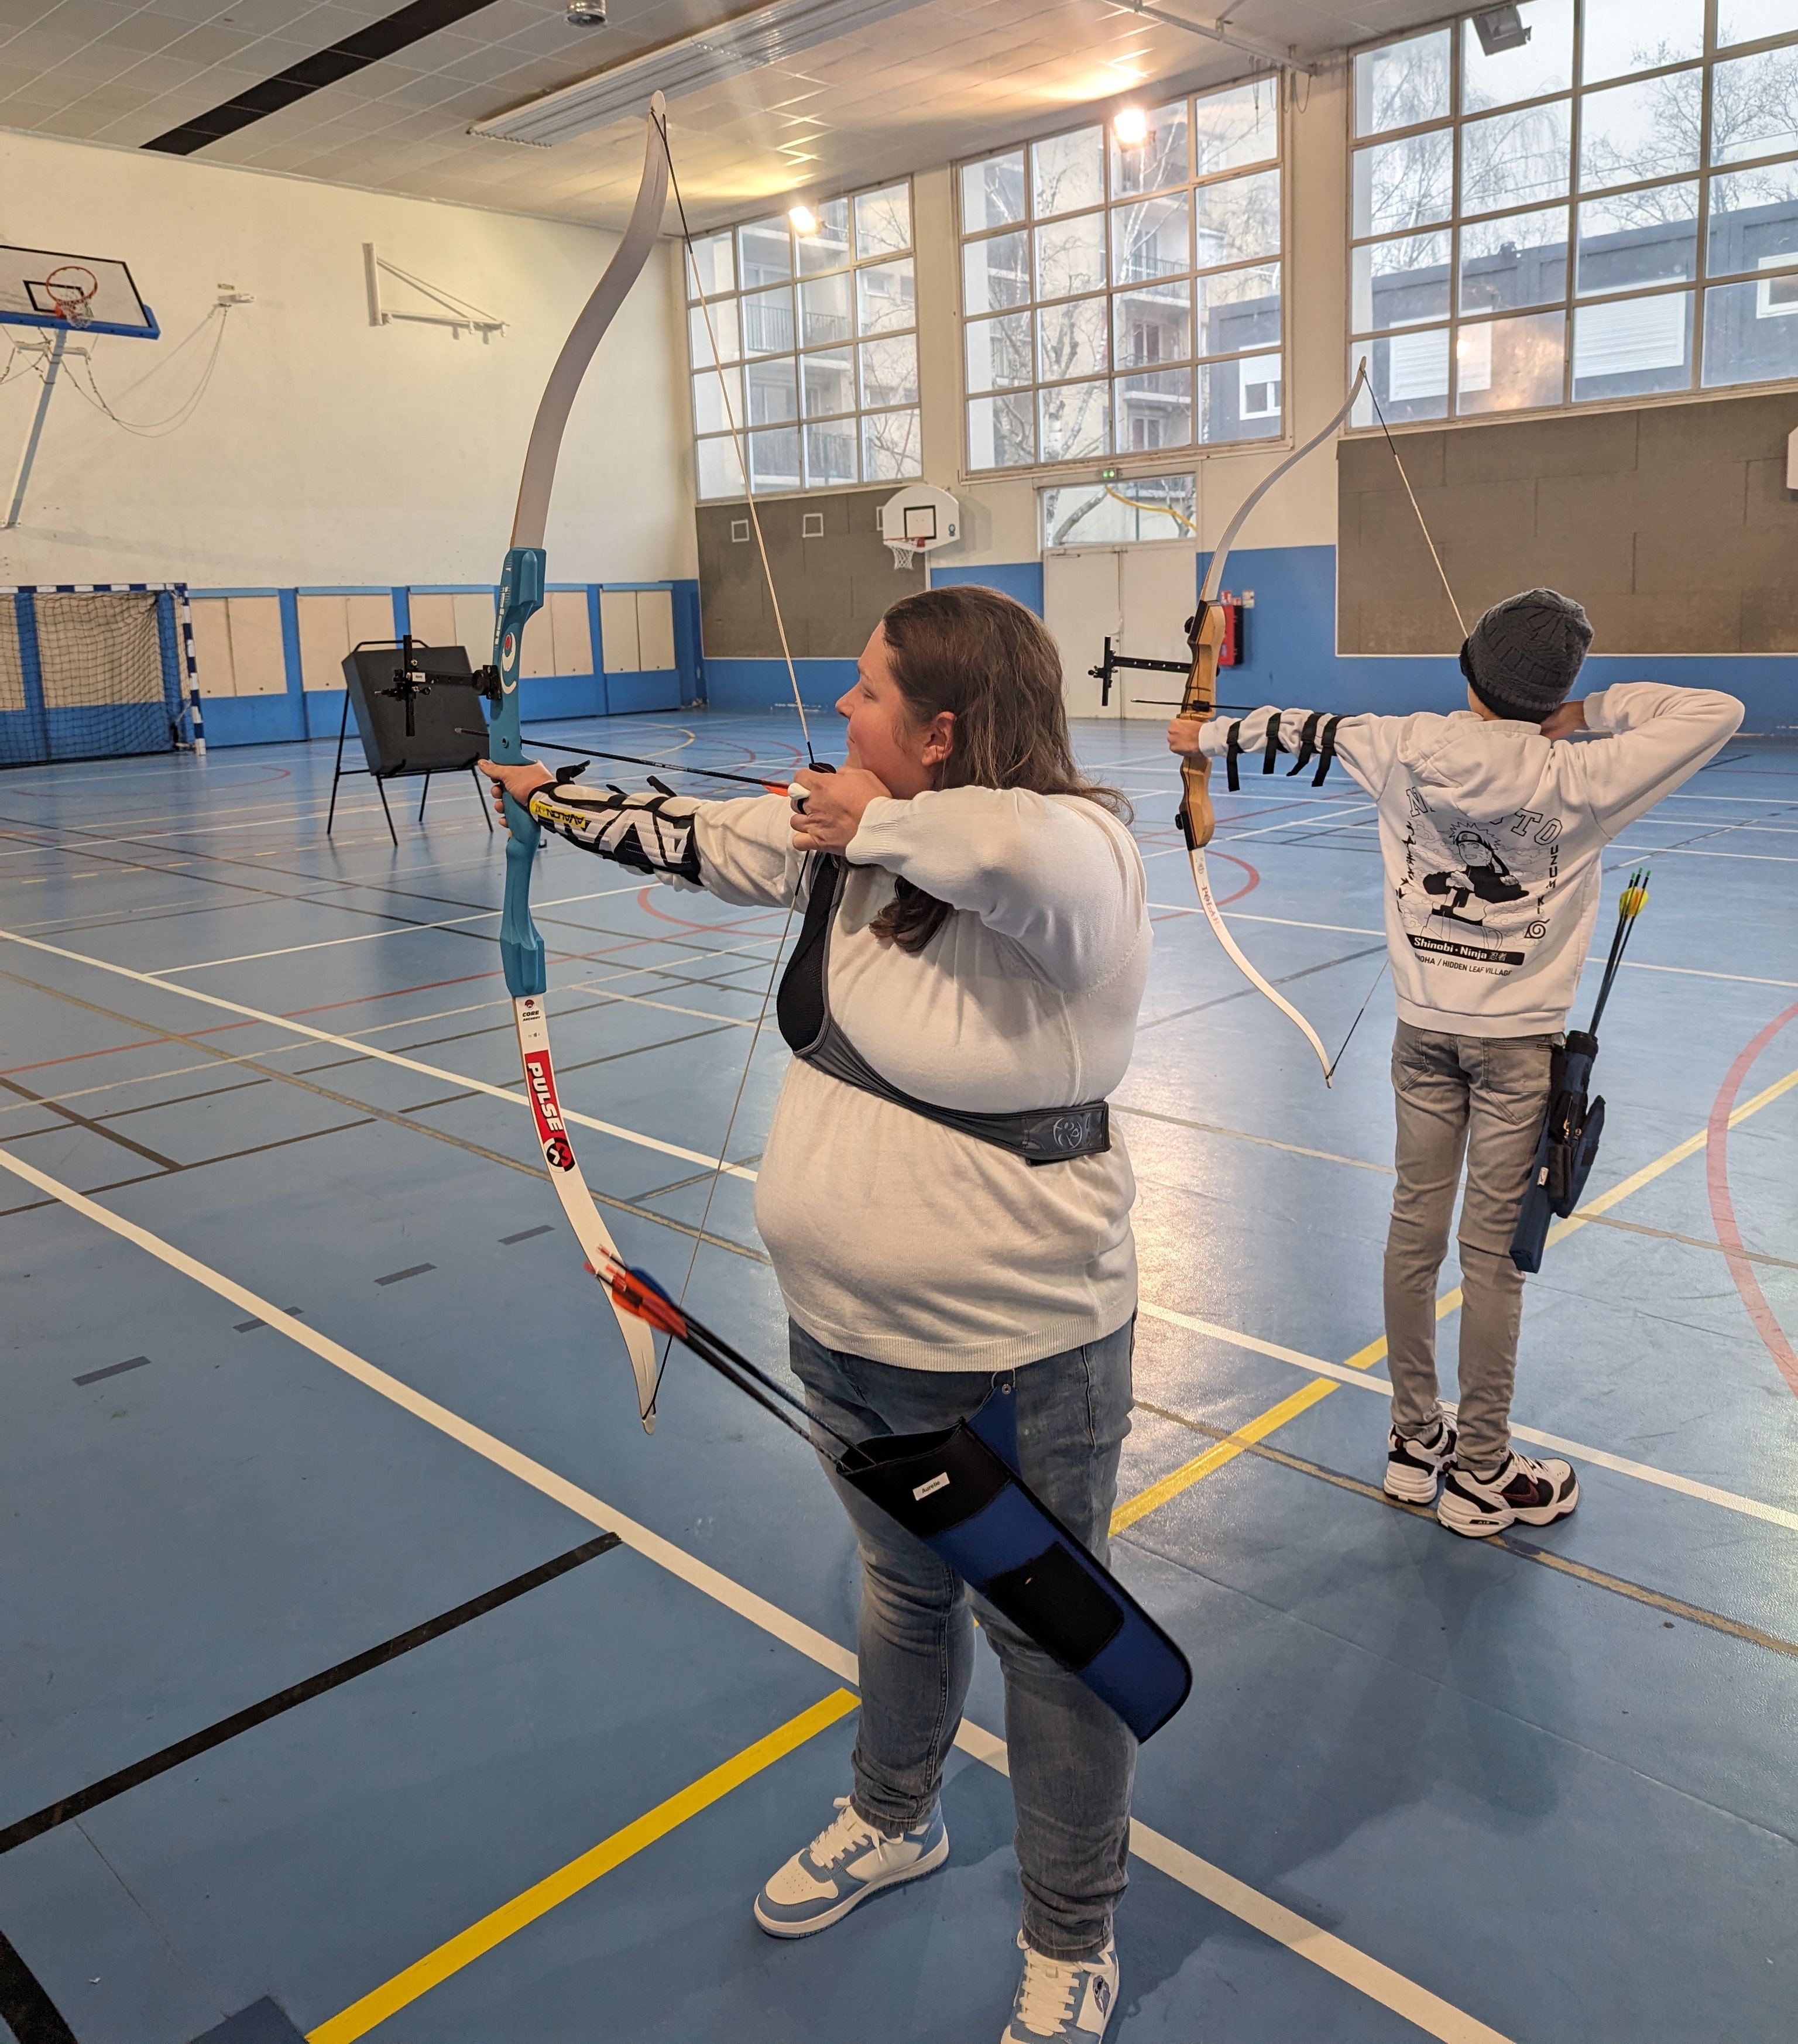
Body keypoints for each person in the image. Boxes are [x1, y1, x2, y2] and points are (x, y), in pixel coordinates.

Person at [483, 585, 1150, 2042]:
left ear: (942, 731)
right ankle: (896, 1817)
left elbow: (1004, 846)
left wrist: (873, 819)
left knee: (1053, 1649)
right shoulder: (846, 849)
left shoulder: (1079, 855)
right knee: (905, 1596)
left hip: (1017, 1360)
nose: (840, 710)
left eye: (867, 693)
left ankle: (1072, 1933)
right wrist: (549, 799)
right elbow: (693, 833)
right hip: (840, 1339)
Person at [1168, 588, 1742, 1537]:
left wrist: (1205, 736)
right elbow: (1714, 711)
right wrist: (1586, 713)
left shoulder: (1406, 743)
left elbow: (1303, 730)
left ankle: (1413, 1442)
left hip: (1422, 1036)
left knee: (1414, 1233)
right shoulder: (1584, 772)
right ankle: (1480, 1472)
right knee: (1492, 1260)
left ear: (1469, 668)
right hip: (1519, 1051)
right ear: (1552, 691)